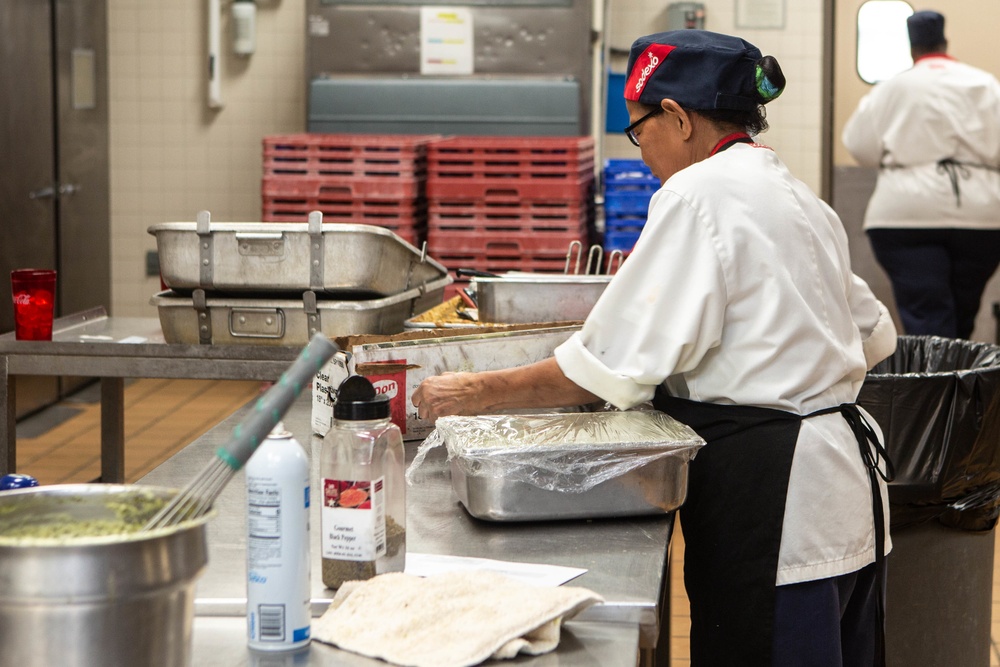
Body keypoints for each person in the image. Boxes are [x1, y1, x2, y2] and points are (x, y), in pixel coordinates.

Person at [412, 29, 898, 667]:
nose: (642, 154)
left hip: (777, 511)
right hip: (850, 500)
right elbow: (876, 333)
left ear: (676, 116)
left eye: (640, 132)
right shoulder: (795, 194)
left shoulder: (699, 194)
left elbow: (605, 369)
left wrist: (471, 393)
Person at [842, 9, 1000, 339]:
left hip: (905, 215)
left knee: (927, 315)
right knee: (964, 313)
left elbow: (859, 145)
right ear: (945, 42)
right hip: (981, 216)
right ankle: (960, 384)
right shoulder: (984, 84)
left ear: (913, 48)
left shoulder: (892, 87)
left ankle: (935, 387)